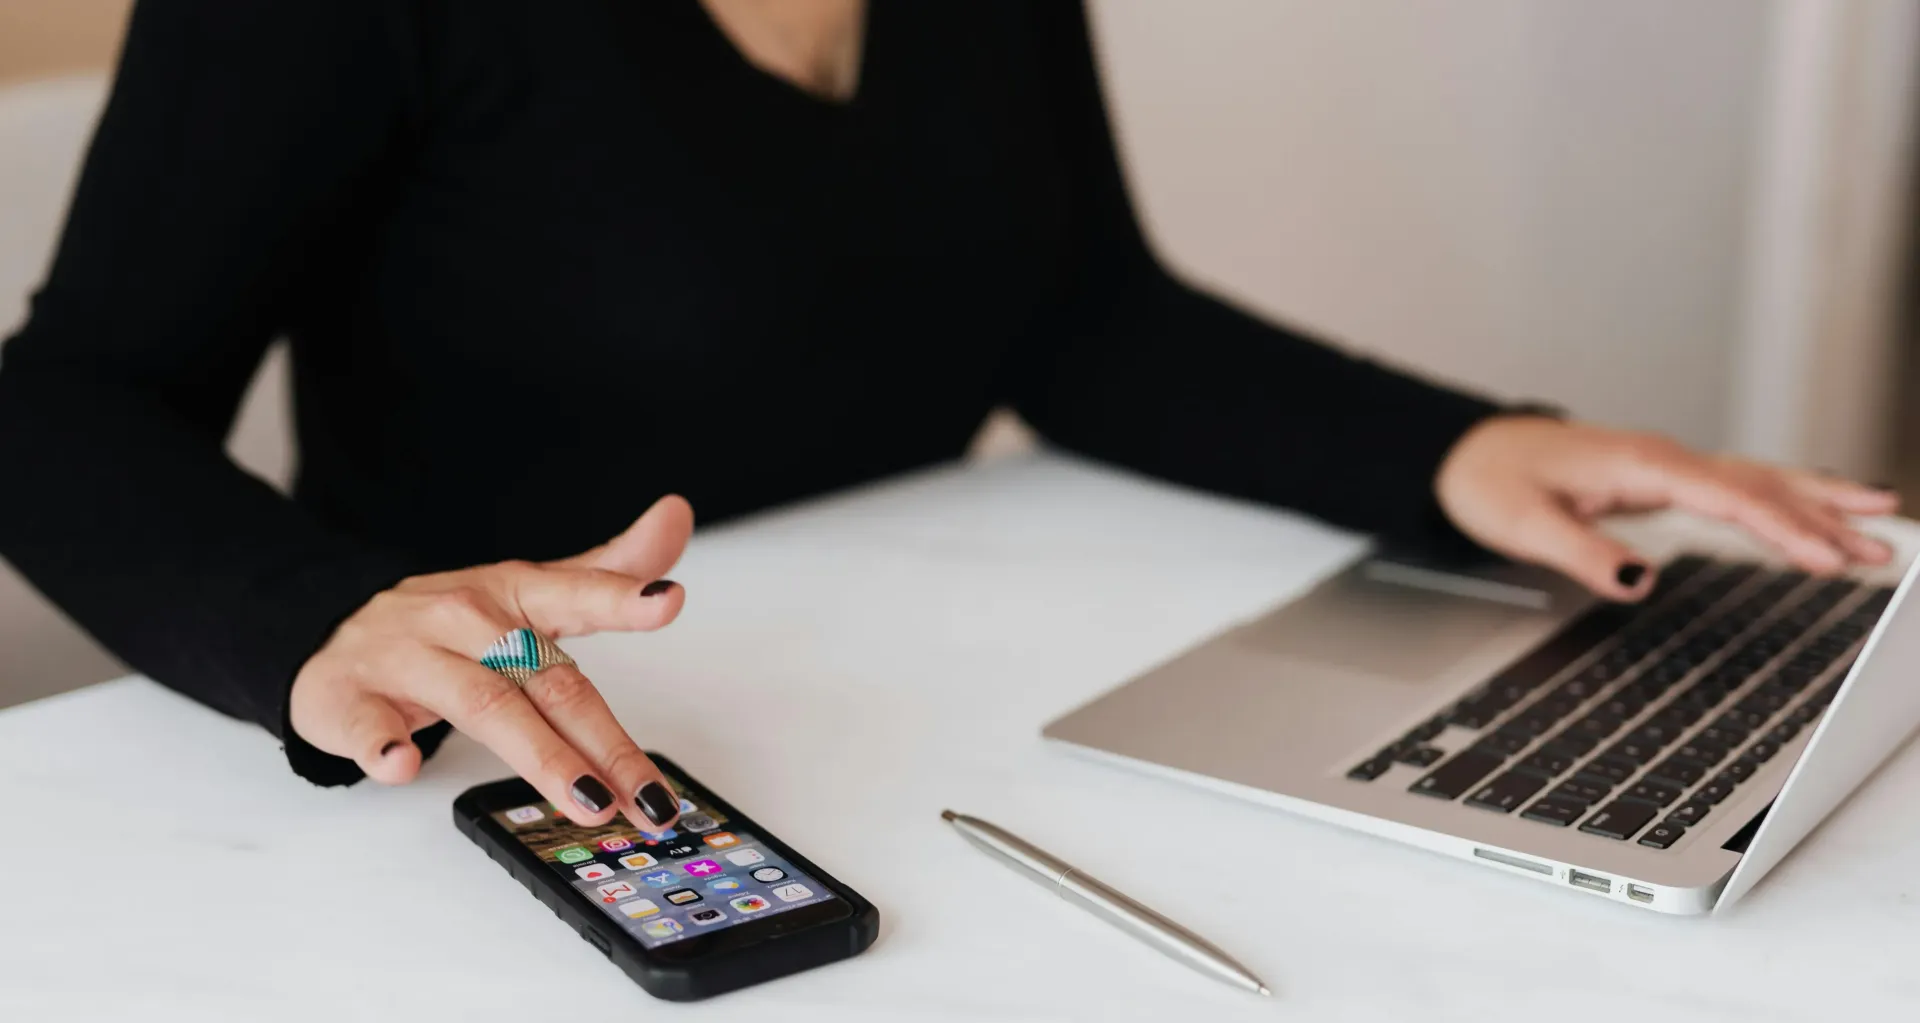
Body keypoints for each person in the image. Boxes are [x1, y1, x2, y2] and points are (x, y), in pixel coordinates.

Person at [0, 0, 1895, 837]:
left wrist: (1459, 452)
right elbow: (65, 406)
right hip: (522, 785)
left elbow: (1075, 312)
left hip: (935, 735)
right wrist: (311, 624)